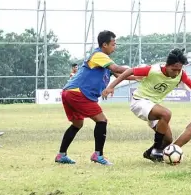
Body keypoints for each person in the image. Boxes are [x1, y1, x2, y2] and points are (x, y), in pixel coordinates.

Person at [102, 48, 191, 162]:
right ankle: (156, 149)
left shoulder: (180, 74)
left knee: (168, 139)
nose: (176, 73)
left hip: (153, 105)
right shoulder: (153, 70)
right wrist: (111, 86)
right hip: (139, 101)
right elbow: (129, 71)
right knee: (166, 114)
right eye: (174, 69)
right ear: (167, 66)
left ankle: (149, 153)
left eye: (179, 70)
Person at [55, 30, 133, 165]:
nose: (115, 47)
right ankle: (98, 155)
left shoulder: (104, 62)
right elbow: (118, 68)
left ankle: (61, 155)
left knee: (77, 124)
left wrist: (146, 75)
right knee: (102, 121)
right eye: (113, 44)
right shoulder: (99, 55)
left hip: (69, 92)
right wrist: (136, 69)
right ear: (105, 45)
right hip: (78, 93)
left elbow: (125, 75)